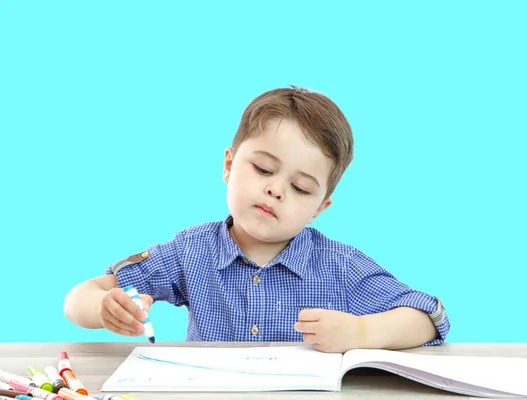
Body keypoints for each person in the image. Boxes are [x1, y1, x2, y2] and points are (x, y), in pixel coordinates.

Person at [64, 86, 450, 353]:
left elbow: (431, 317)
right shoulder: (191, 251)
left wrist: (360, 331)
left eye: (300, 188)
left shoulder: (339, 266)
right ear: (229, 165)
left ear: (319, 208)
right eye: (264, 169)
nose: (276, 191)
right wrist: (104, 308)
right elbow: (79, 297)